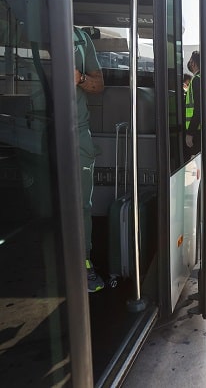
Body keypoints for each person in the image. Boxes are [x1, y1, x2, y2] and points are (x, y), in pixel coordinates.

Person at [73, 27, 105, 293]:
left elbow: (98, 84)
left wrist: (79, 78)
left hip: (76, 134)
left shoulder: (80, 40)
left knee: (82, 204)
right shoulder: (21, 27)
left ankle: (84, 265)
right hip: (31, 128)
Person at [184, 50, 206, 158]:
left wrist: (190, 133)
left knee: (198, 162)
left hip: (199, 130)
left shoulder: (197, 80)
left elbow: (198, 109)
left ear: (193, 63)